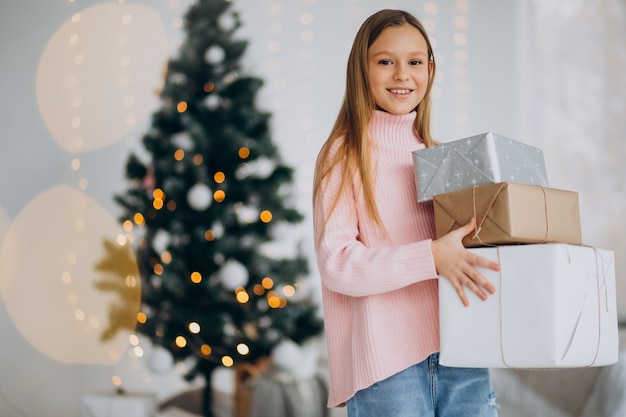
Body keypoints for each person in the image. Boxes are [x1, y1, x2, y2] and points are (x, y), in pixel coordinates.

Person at [312, 9, 502, 417]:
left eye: (414, 62)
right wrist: (430, 256)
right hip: (388, 366)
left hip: (463, 352)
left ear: (430, 70)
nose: (402, 74)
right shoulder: (344, 153)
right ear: (361, 70)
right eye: (385, 62)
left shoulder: (444, 157)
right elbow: (337, 264)